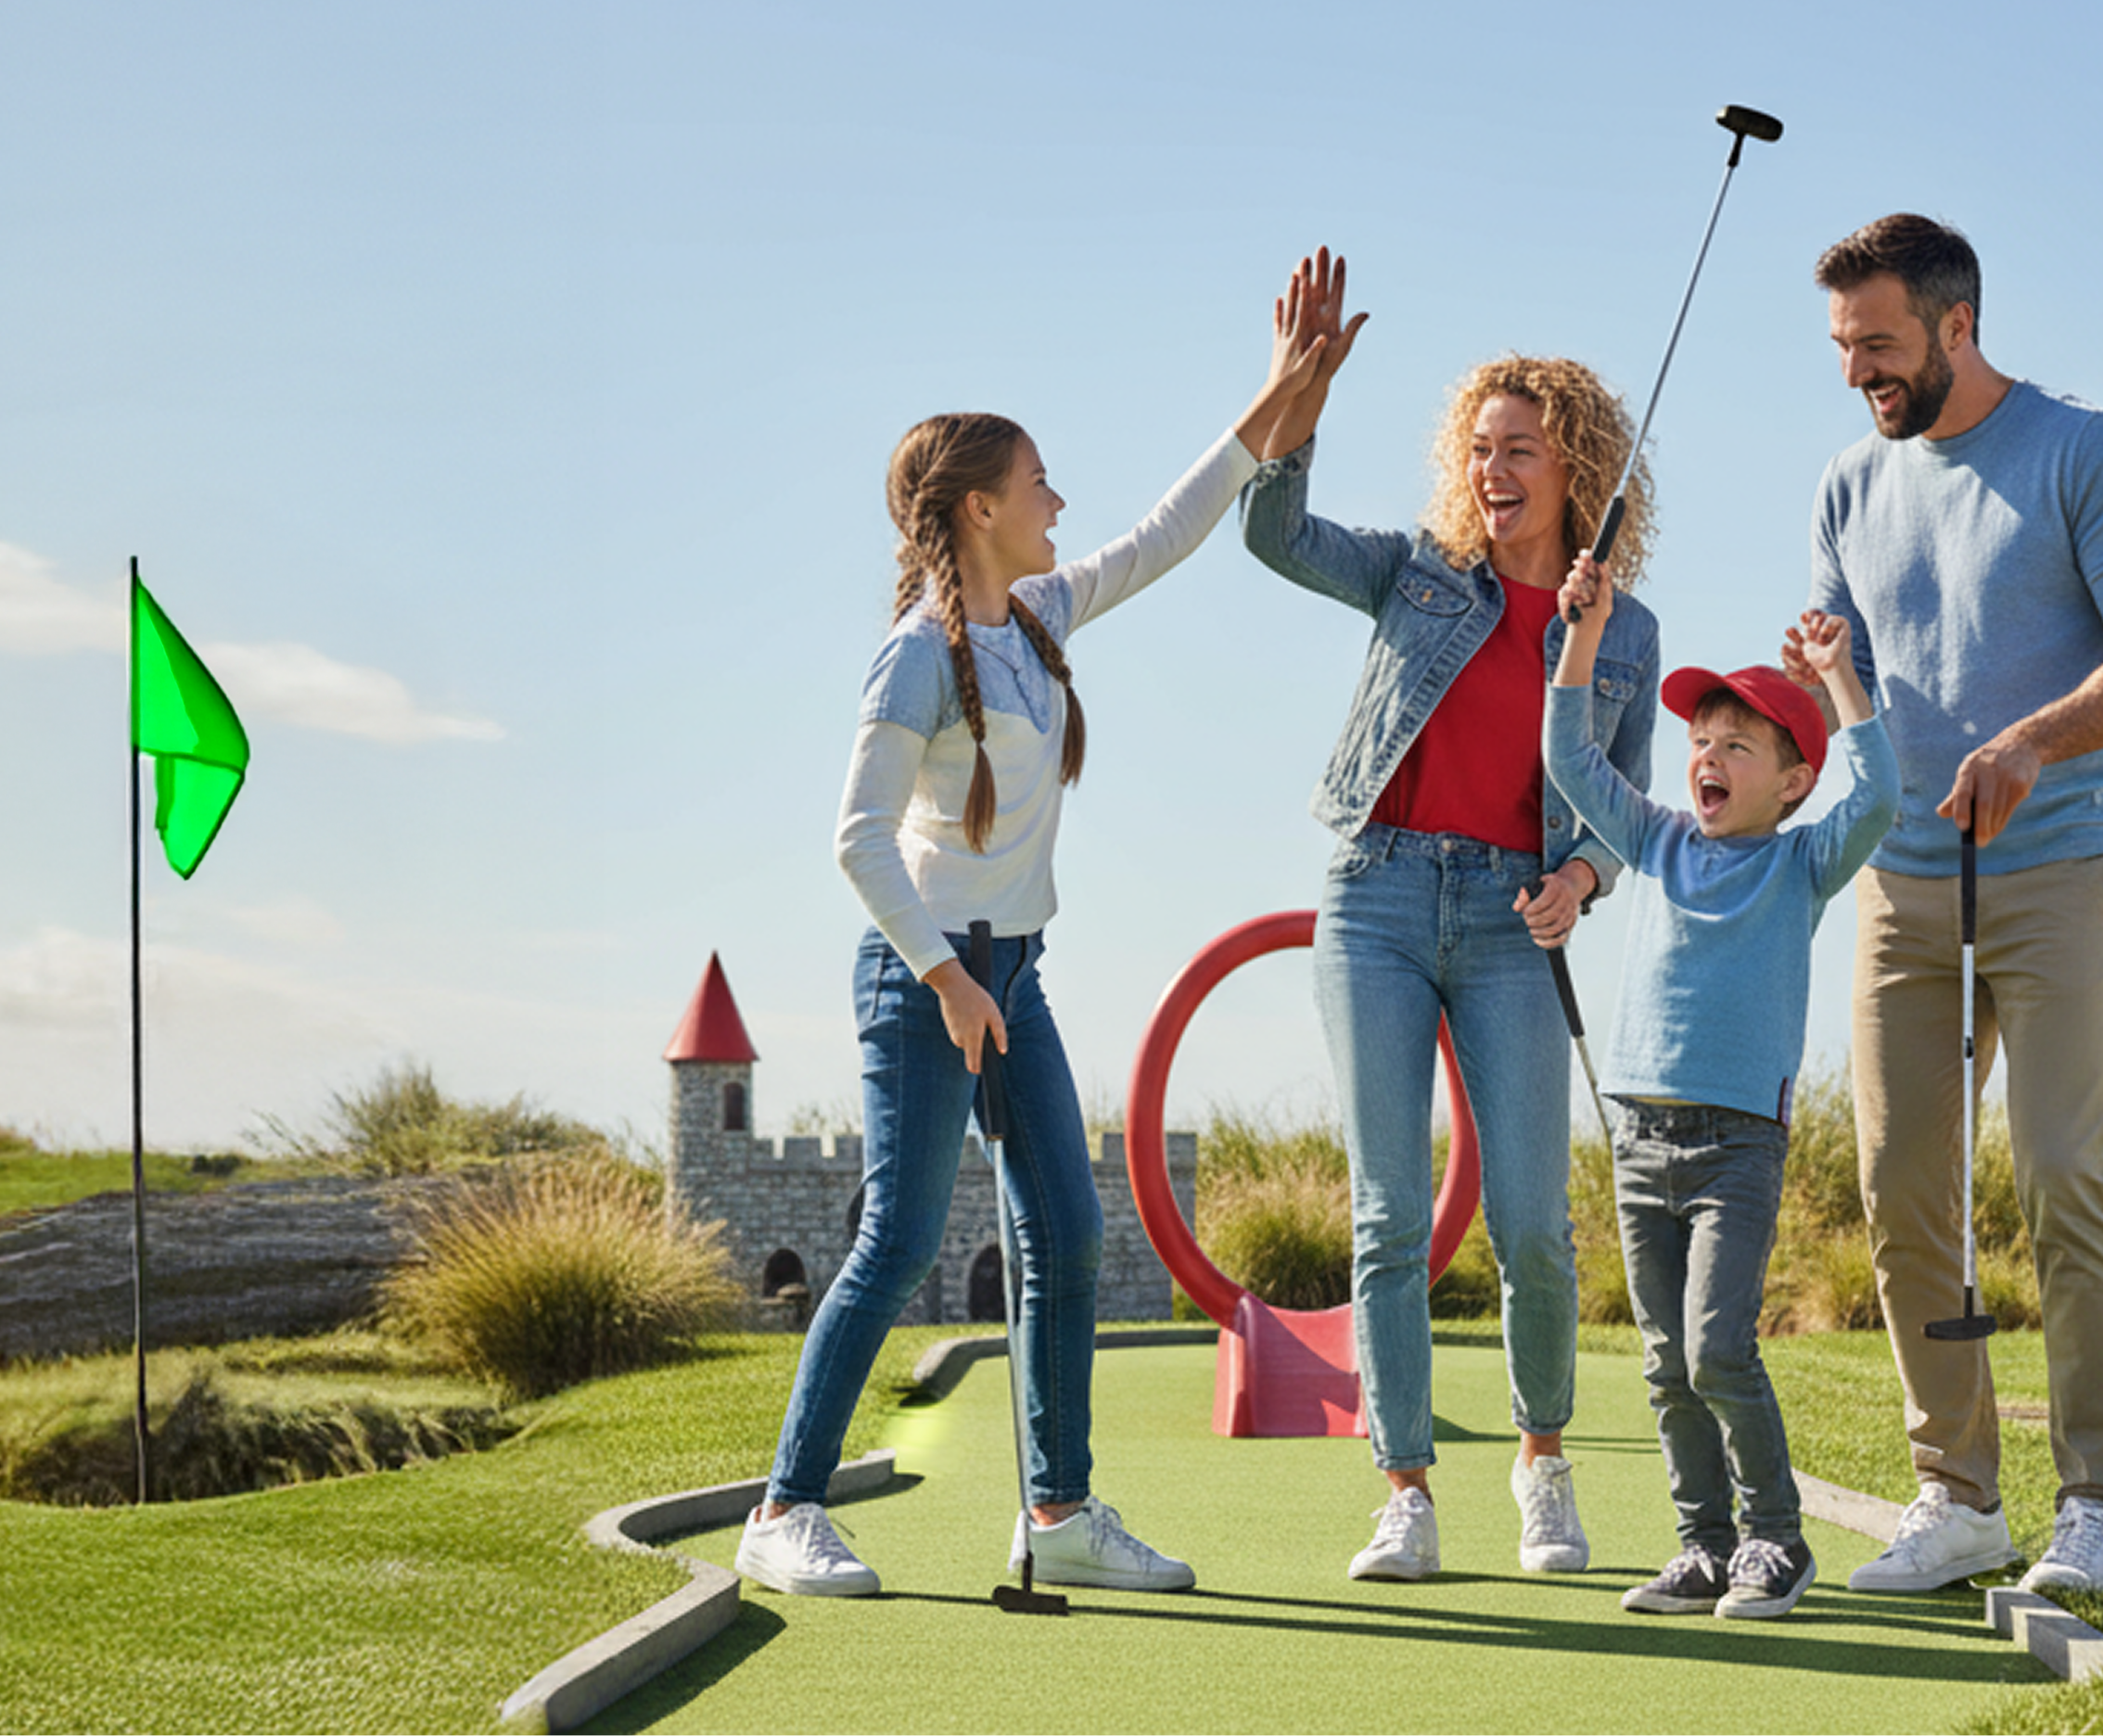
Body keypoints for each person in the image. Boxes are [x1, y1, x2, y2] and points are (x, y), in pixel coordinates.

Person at [733, 259, 1341, 1600]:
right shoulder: (912, 654)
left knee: (1065, 1232)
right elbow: (856, 838)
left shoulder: (1041, 617)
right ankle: (783, 1510)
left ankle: (1056, 1512)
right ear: (979, 509)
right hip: (927, 981)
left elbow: (1168, 531)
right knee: (899, 1241)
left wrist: (1278, 398)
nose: (1061, 503)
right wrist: (947, 981)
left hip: (1015, 974)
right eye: (1040, 482)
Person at [1241, 258, 1662, 1582]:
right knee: (1387, 1215)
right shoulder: (1417, 573)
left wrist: (1581, 878)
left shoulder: (1622, 630)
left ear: (1574, 465)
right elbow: (1272, 536)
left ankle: (1543, 1463)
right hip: (1374, 896)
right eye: (1479, 448)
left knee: (1532, 1220)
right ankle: (1406, 1492)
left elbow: (1621, 805)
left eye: (1519, 449)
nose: (1492, 469)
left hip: (1509, 921)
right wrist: (1297, 401)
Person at [1801, 213, 2103, 1599]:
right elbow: (1847, 687)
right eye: (1842, 347)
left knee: (2061, 1175)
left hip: (2063, 868)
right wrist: (1798, 690)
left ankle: (2097, 1507)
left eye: (1879, 343)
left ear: (1956, 325)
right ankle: (1958, 1498)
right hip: (1902, 881)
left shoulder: (2085, 451)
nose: (1858, 372)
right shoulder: (1848, 485)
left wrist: (2030, 741)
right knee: (1903, 1189)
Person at [1544, 558, 1895, 1621]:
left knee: (1714, 1348)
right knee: (1664, 1363)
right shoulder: (1654, 840)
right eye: (1700, 741)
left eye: (1737, 745)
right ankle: (1701, 1548)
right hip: (1637, 1134)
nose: (1708, 756)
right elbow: (1567, 756)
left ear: (1791, 782)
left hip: (1737, 1144)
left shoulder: (1802, 864)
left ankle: (1773, 1538)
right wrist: (1584, 633)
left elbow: (1878, 795)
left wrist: (1838, 680)